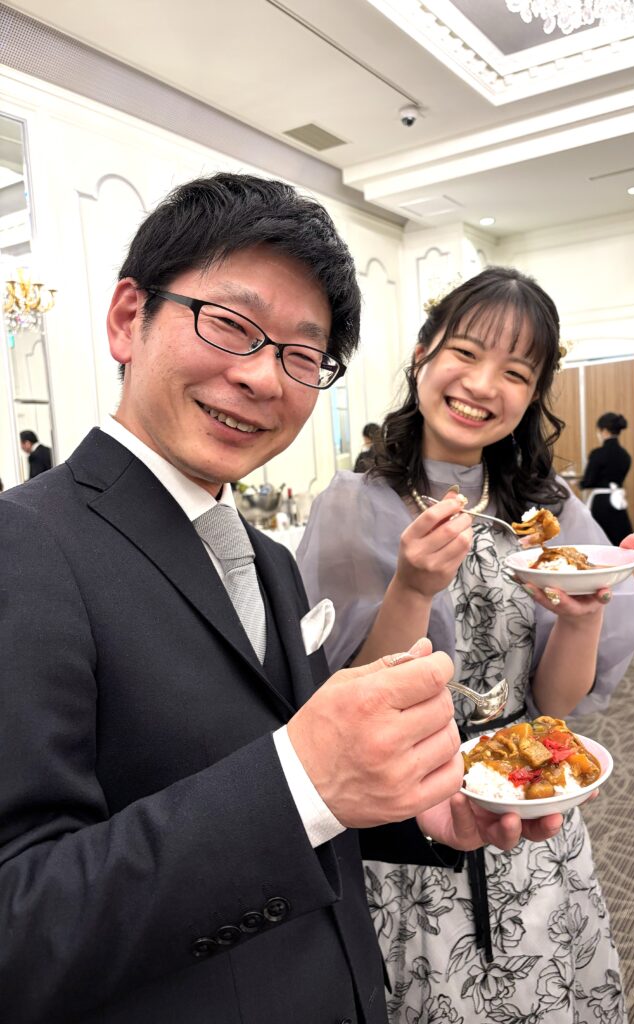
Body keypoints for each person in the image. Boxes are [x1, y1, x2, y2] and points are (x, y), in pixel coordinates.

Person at [0, 175, 560, 1024]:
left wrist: (414, 809)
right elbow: (20, 923)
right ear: (127, 318)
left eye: (303, 355)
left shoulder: (267, 560)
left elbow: (279, 783)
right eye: (230, 323)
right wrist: (306, 777)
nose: (265, 377)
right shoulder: (26, 543)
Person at [298, 267, 634, 1024]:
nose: (484, 385)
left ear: (533, 394)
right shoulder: (352, 504)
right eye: (465, 352)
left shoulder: (548, 509)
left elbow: (556, 702)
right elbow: (356, 692)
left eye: (516, 372)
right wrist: (412, 587)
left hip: (528, 799)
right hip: (409, 807)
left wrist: (582, 615)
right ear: (422, 353)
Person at [579, 412, 633, 544]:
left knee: (600, 541)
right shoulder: (625, 455)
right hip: (618, 502)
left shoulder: (597, 454)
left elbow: (588, 482)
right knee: (620, 541)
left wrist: (579, 482)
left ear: (604, 431)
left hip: (601, 503)